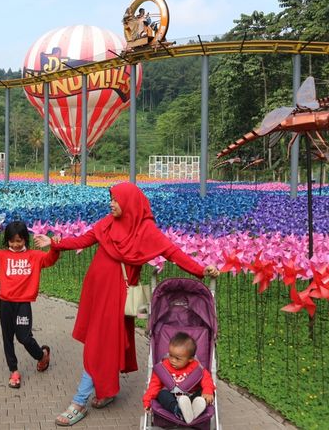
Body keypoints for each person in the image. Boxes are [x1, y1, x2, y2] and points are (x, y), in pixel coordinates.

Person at [34, 182, 219, 427]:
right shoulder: (107, 223)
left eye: (115, 199)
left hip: (122, 295)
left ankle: (78, 402)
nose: (111, 204)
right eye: (110, 199)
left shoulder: (147, 231)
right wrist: (55, 244)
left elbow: (173, 252)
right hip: (98, 293)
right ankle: (108, 390)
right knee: (111, 342)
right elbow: (85, 240)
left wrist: (201, 269)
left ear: (129, 201)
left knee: (100, 346)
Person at [0, 221, 60, 389]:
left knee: (24, 337)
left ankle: (41, 355)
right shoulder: (2, 255)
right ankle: (14, 371)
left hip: (23, 303)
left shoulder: (35, 256)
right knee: (7, 337)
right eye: (12, 241)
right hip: (5, 303)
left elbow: (50, 259)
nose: (16, 245)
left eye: (19, 241)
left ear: (25, 239)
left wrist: (54, 244)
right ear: (7, 240)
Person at [142, 332, 215, 424]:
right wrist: (147, 401)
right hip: (172, 398)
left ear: (190, 359)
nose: (172, 360)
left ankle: (194, 408)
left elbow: (207, 379)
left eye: (178, 358)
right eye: (170, 355)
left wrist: (208, 391)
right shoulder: (163, 368)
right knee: (162, 394)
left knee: (204, 393)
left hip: (191, 396)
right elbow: (154, 386)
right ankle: (178, 410)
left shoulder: (196, 367)